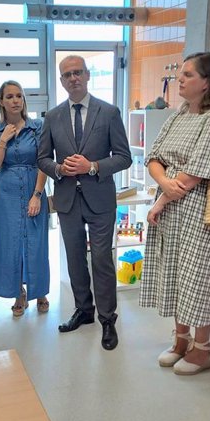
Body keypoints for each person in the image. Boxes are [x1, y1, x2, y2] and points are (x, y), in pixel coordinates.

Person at [139, 52, 210, 375]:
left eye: (188, 75)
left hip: (201, 210)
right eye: (180, 74)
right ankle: (180, 339)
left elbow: (198, 170)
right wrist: (163, 181)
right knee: (176, 272)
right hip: (173, 204)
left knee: (199, 276)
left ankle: (202, 348)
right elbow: (153, 155)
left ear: (208, 82)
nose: (180, 79)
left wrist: (161, 199)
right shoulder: (179, 114)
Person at [38, 55, 132, 350]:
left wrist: (91, 166)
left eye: (78, 72)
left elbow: (124, 157)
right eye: (67, 75)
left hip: (100, 198)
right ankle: (84, 310)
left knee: (102, 259)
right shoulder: (52, 117)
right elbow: (41, 158)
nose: (73, 78)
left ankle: (107, 319)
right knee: (75, 259)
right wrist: (59, 170)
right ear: (62, 81)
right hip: (67, 200)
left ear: (88, 75)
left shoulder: (109, 112)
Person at [0, 81, 50, 316]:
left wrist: (37, 195)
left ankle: (39, 291)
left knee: (36, 242)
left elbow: (43, 161)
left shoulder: (38, 127)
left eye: (19, 96)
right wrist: (3, 139)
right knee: (10, 243)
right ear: (1, 101)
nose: (15, 100)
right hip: (6, 194)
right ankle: (18, 293)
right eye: (9, 96)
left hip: (35, 189)